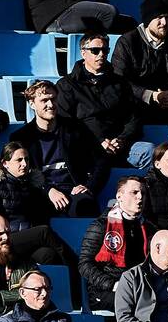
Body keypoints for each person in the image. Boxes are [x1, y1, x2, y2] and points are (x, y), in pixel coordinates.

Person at [57, 32, 151, 171]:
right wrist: (98, 141)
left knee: (149, 151)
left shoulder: (120, 83)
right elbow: (66, 122)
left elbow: (134, 117)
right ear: (83, 53)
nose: (101, 54)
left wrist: (122, 139)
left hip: (120, 145)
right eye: (95, 50)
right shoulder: (67, 85)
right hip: (87, 146)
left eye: (105, 50)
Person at [9, 80, 100, 218]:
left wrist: (88, 186)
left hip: (73, 190)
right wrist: (48, 190)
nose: (50, 105)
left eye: (53, 99)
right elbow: (19, 173)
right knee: (31, 211)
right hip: (40, 192)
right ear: (32, 104)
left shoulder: (75, 129)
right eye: (44, 100)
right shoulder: (21, 137)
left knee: (86, 206)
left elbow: (101, 160)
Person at [79, 176, 155, 312]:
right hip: (105, 290)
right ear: (119, 197)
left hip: (137, 287)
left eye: (143, 193)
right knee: (136, 306)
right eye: (135, 192)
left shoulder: (149, 228)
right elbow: (84, 265)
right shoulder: (101, 226)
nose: (140, 197)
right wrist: (113, 284)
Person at [110, 2, 168, 121]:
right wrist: (151, 95)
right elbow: (120, 79)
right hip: (139, 100)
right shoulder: (128, 42)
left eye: (167, 17)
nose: (164, 23)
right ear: (147, 20)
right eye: (159, 18)